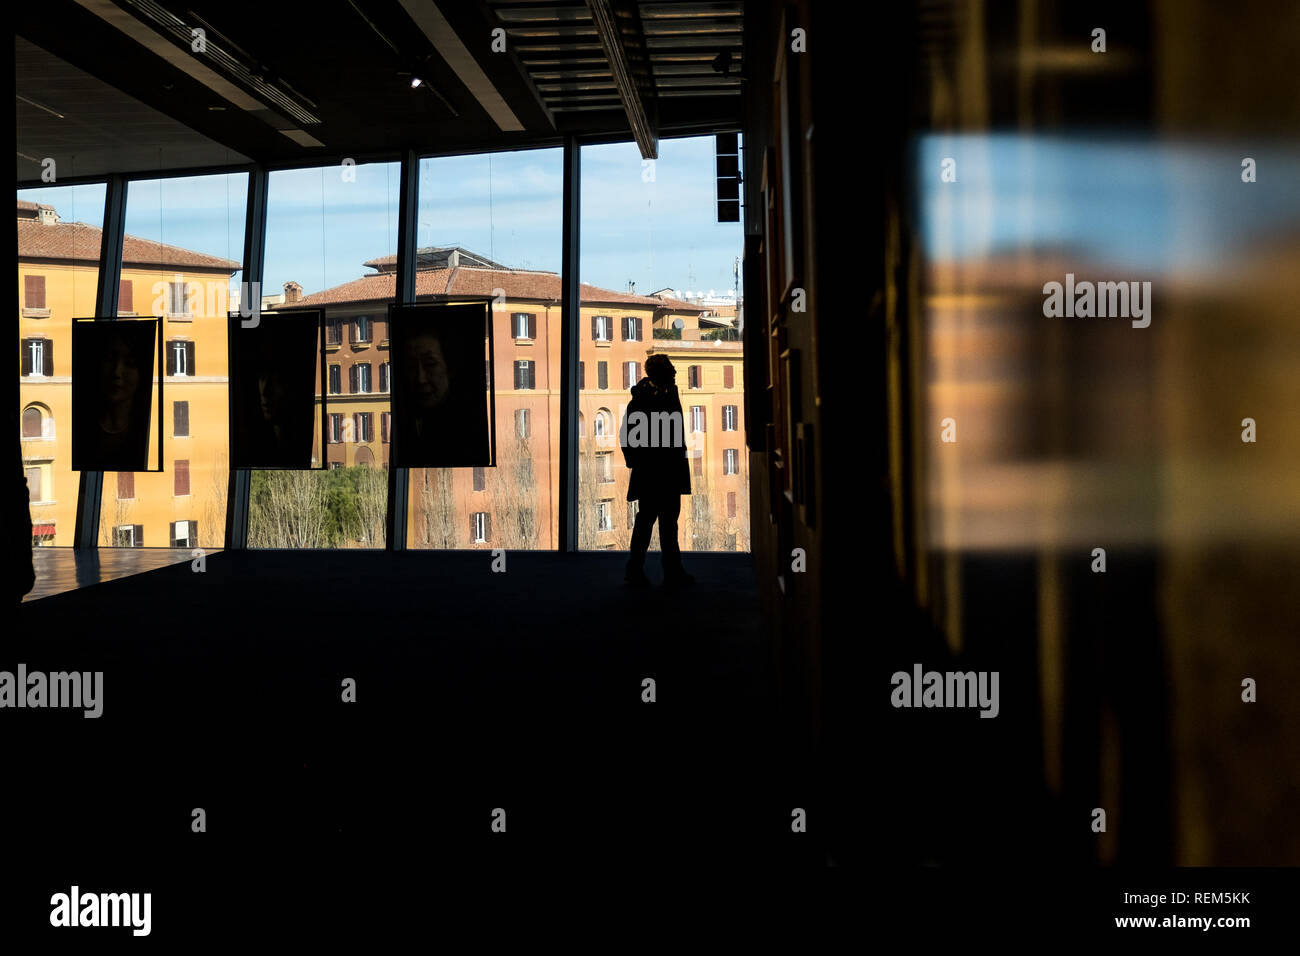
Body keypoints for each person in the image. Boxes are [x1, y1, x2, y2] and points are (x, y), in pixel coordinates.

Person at [620, 353, 694, 588]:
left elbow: (627, 435)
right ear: (661, 373)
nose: (674, 372)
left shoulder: (651, 396)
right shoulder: (652, 397)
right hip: (659, 471)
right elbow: (628, 435)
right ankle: (668, 572)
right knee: (659, 523)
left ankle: (640, 571)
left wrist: (636, 462)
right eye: (670, 369)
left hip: (656, 471)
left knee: (653, 522)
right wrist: (638, 461)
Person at [396, 325, 489, 466]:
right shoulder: (406, 423)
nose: (420, 378)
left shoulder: (466, 431)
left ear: (449, 368)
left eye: (430, 364)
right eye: (411, 366)